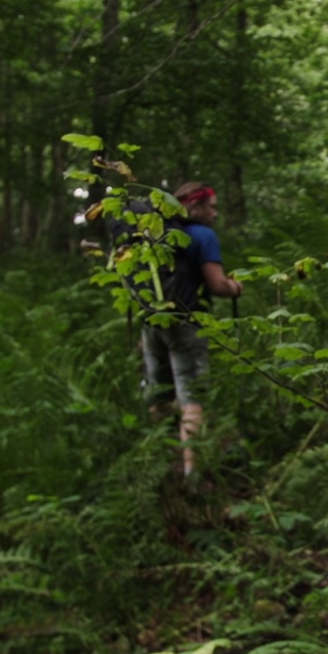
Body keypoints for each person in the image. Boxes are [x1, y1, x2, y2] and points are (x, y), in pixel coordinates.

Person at [141, 181, 242, 478]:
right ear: (194, 207)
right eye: (211, 207)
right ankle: (192, 473)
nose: (215, 213)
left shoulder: (154, 234)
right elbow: (217, 285)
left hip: (151, 322)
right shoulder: (202, 236)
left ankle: (160, 465)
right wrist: (235, 287)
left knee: (159, 394)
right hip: (187, 323)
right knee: (192, 399)